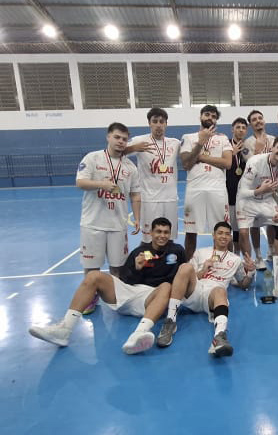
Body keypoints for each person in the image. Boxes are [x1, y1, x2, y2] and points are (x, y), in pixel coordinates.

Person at [29, 217, 187, 354]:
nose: (162, 235)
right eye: (158, 231)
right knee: (93, 276)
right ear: (151, 233)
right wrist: (137, 269)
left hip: (154, 298)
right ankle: (65, 329)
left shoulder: (177, 251)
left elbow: (182, 278)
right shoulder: (140, 252)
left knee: (166, 286)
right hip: (130, 292)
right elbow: (125, 279)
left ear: (170, 234)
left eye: (166, 232)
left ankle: (139, 334)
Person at [155, 222, 256, 356]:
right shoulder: (201, 252)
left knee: (221, 290)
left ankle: (219, 337)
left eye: (227, 234)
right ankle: (170, 321)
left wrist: (251, 272)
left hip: (213, 296)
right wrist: (203, 270)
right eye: (220, 233)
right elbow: (185, 277)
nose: (223, 236)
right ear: (213, 235)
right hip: (195, 289)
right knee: (185, 267)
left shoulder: (236, 259)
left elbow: (244, 284)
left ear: (230, 237)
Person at [76, 122, 141, 316]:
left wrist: (137, 218)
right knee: (91, 267)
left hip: (118, 225)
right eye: (117, 137)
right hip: (93, 224)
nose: (121, 142)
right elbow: (80, 182)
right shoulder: (93, 158)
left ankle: (117, 298)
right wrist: (101, 184)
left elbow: (135, 195)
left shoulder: (130, 167)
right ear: (108, 137)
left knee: (118, 267)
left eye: (124, 139)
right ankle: (90, 298)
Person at [181, 105, 233, 259]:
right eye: (207, 114)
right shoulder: (188, 137)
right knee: (191, 232)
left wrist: (200, 157)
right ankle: (189, 265)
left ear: (216, 120)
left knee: (223, 231)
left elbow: (227, 163)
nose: (210, 118)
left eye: (214, 116)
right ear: (200, 116)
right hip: (194, 189)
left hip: (217, 190)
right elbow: (186, 164)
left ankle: (227, 264)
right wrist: (200, 143)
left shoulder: (223, 138)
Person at [125, 108, 182, 242]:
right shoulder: (139, 141)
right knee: (149, 239)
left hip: (170, 198)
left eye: (161, 122)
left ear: (166, 124)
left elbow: (190, 156)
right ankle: (148, 256)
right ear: (149, 123)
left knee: (169, 237)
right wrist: (133, 148)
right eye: (155, 121)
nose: (158, 125)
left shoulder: (175, 143)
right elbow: (116, 151)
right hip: (149, 199)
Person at [236, 135, 278, 259]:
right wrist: (261, 190)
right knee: (243, 232)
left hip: (266, 199)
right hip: (247, 200)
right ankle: (251, 263)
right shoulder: (254, 162)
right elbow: (242, 192)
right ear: (272, 148)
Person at [243, 110, 276, 268]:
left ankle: (271, 251)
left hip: (272, 187)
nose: (258, 121)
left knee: (272, 222)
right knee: (255, 225)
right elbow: (250, 165)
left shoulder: (274, 140)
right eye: (254, 119)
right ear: (250, 124)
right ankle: (258, 256)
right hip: (256, 188)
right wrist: (258, 150)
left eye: (260, 118)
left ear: (264, 120)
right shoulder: (247, 143)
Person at [225, 117, 248, 255]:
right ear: (232, 129)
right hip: (227, 193)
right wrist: (231, 154)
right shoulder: (225, 145)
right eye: (238, 127)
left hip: (243, 195)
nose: (241, 130)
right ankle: (228, 256)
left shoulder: (248, 147)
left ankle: (237, 256)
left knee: (239, 229)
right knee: (227, 228)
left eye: (243, 128)